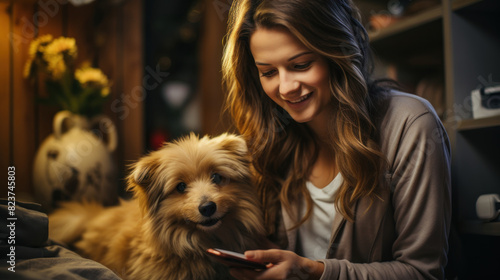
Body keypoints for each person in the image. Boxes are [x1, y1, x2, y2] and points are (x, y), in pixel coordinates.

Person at [221, 0, 452, 279]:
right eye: (268, 72)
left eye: (301, 64)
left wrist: (313, 271)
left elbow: (422, 272)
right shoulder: (274, 139)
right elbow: (286, 253)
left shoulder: (411, 124)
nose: (285, 88)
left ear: (337, 53)